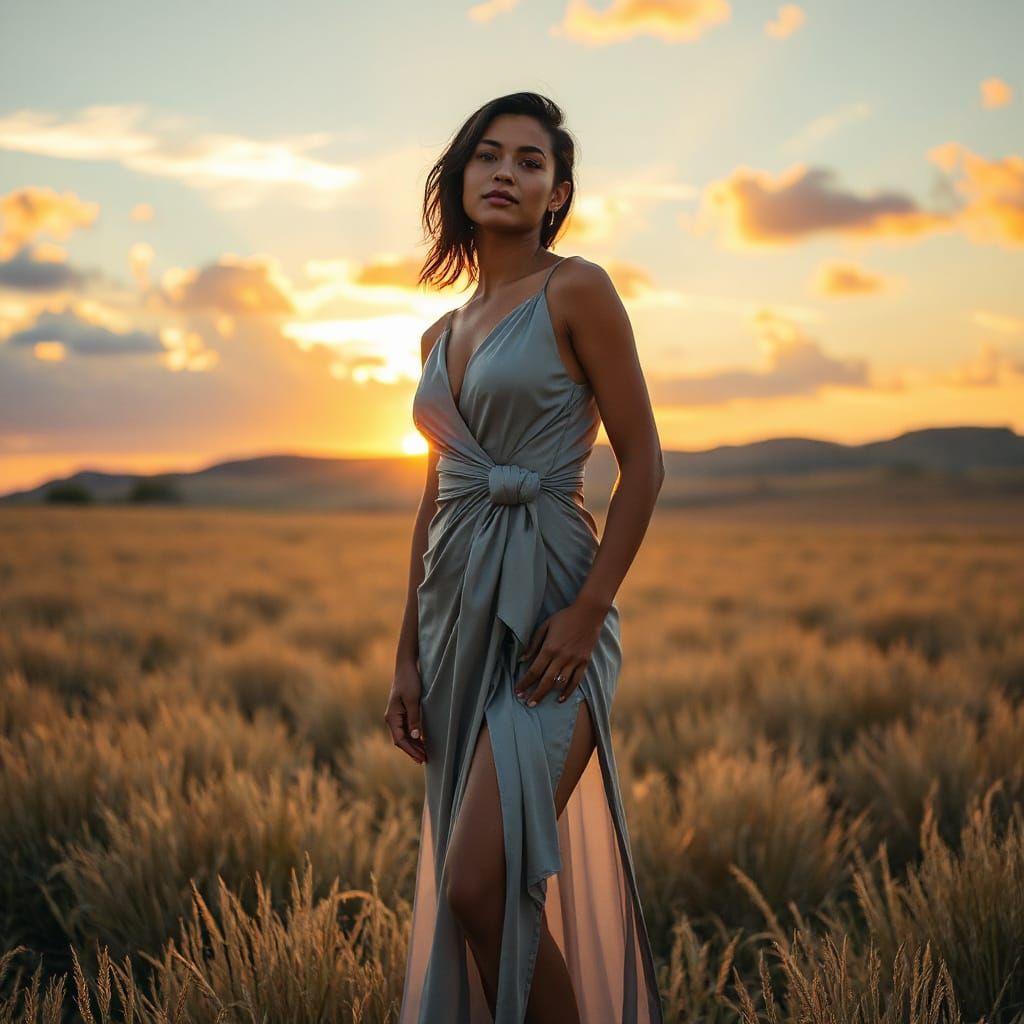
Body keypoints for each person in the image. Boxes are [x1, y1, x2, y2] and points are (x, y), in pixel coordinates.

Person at [387, 91, 666, 1024]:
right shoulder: (439, 334)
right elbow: (437, 502)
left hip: (551, 614)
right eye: (488, 156)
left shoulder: (576, 288)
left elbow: (645, 464)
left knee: (476, 883)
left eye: (531, 161)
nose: (507, 172)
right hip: (453, 623)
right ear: (460, 178)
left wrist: (588, 613)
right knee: (490, 896)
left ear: (558, 192)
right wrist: (406, 656)